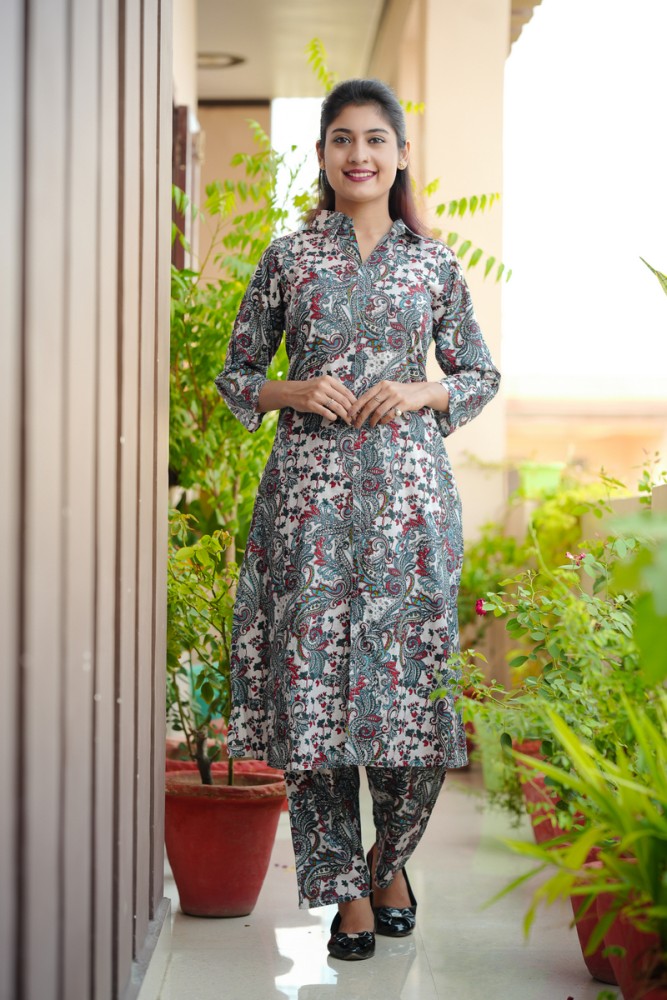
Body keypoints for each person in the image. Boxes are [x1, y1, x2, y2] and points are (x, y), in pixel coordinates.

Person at [215, 77, 500, 961]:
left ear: (401, 154)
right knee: (313, 705)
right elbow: (237, 374)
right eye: (342, 139)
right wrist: (294, 389)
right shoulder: (289, 257)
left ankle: (389, 860)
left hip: (410, 511)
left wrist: (418, 390)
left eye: (375, 139)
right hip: (307, 506)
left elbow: (478, 374)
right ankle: (346, 894)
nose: (359, 154)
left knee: (412, 703)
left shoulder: (433, 264)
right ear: (322, 155)